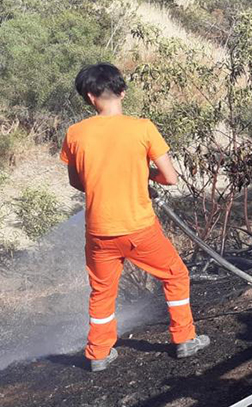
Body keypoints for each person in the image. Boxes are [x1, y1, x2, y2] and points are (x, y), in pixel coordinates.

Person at [61, 63, 209, 372]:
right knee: (175, 275)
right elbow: (170, 177)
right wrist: (144, 176)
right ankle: (184, 339)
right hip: (139, 228)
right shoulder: (142, 128)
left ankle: (99, 354)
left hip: (100, 231)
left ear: (90, 97)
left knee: (102, 291)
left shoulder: (76, 133)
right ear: (122, 91)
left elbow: (77, 181)